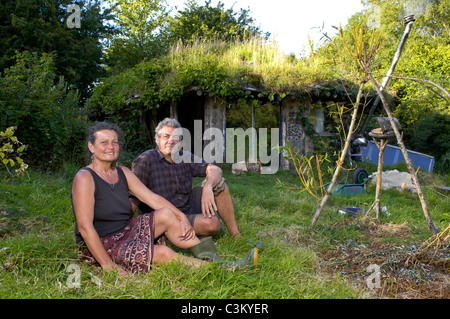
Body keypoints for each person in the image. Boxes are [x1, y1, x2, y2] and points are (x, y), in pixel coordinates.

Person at [71, 122, 257, 275]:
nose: (110, 147)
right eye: (104, 142)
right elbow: (85, 228)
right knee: (164, 253)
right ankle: (224, 271)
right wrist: (109, 266)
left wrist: (181, 217)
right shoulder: (85, 178)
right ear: (91, 147)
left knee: (167, 214)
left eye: (114, 142)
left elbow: (152, 198)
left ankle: (216, 259)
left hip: (126, 230)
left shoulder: (123, 172)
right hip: (103, 243)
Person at [131, 118, 242, 240]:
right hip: (165, 218)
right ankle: (182, 235)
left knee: (219, 184)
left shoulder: (184, 156)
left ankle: (236, 236)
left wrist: (208, 186)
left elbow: (215, 169)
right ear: (157, 140)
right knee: (213, 224)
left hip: (187, 209)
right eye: (166, 136)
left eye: (175, 137)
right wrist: (125, 229)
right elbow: (133, 196)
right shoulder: (145, 160)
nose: (171, 141)